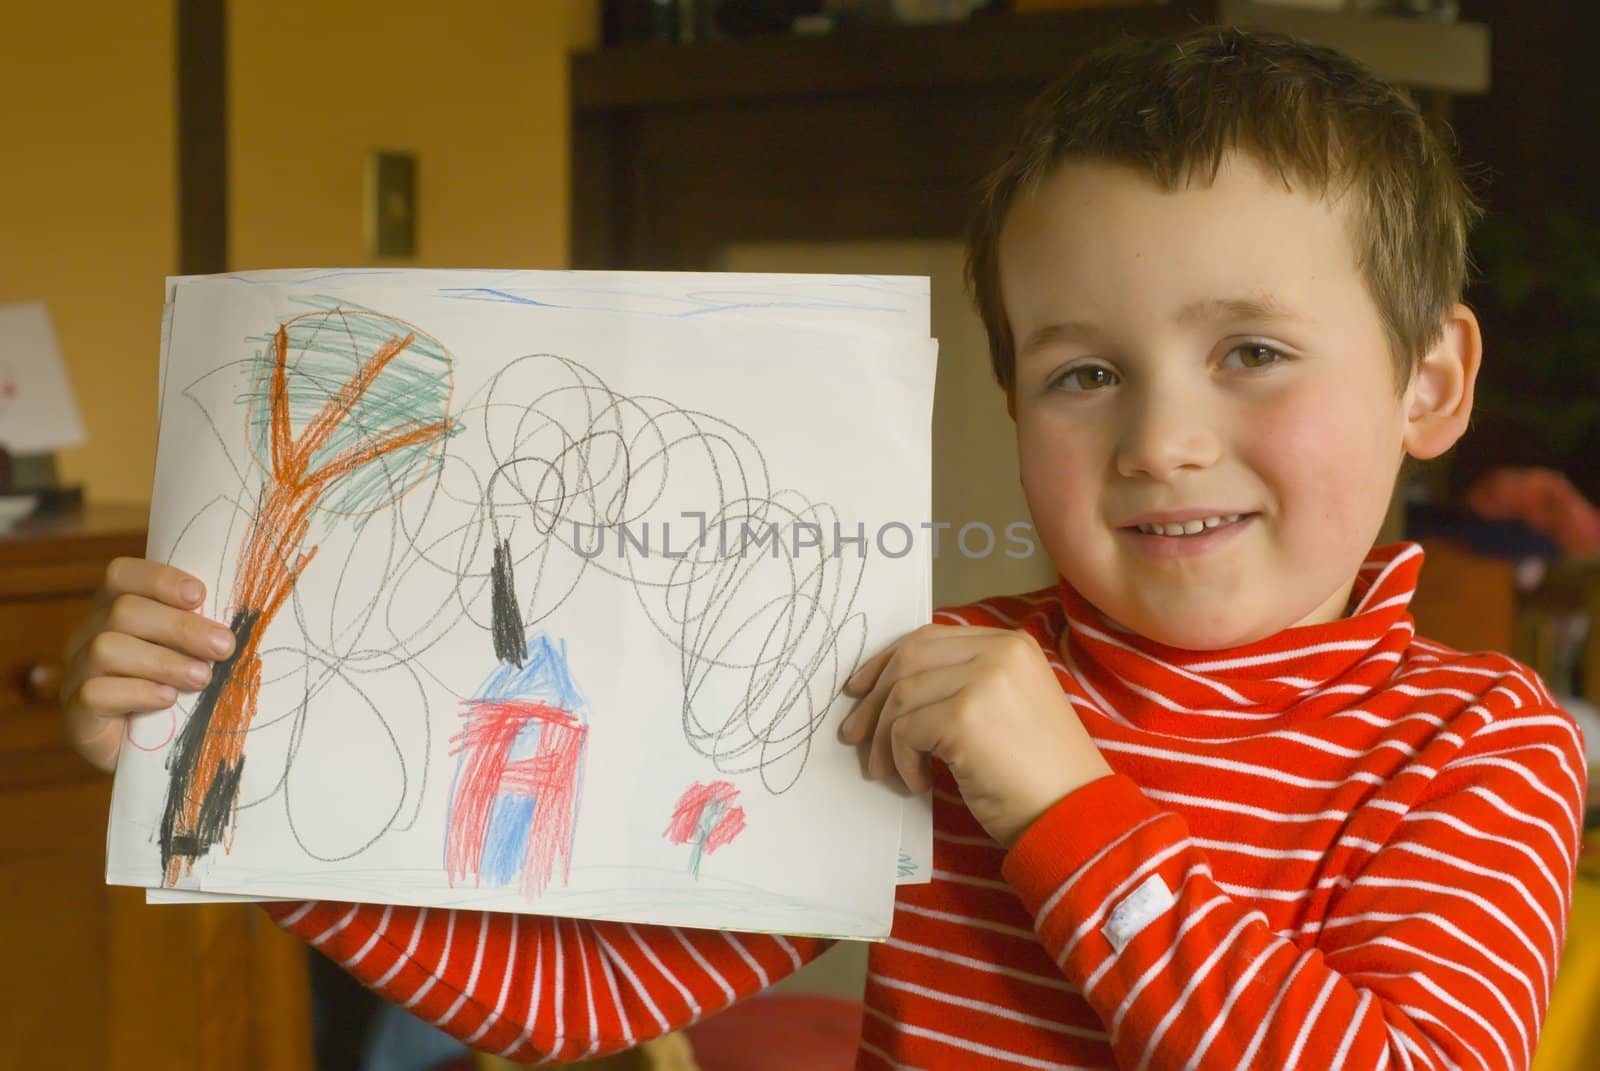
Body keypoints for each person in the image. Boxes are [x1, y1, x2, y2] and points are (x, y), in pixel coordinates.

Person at [63, 27, 1585, 1069]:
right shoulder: (928, 686)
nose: (1160, 440)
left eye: (1251, 349)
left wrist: (1060, 799)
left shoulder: (1483, 746)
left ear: (1431, 383)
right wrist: (226, 777)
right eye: (1085, 372)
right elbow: (583, 994)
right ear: (1010, 399)